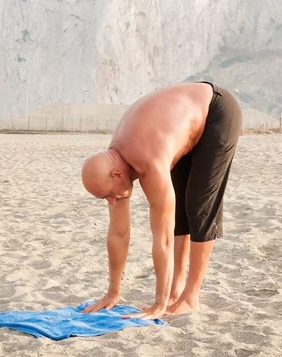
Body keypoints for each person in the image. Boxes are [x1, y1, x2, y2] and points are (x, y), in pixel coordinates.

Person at [79, 81, 242, 320]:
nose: (112, 201)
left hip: (216, 111)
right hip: (175, 126)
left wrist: (158, 304)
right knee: (177, 214)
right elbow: (118, 234)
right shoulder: (113, 164)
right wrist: (112, 292)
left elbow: (163, 237)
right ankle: (175, 289)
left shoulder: (148, 163)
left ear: (117, 175)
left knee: (199, 207)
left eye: (109, 196)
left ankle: (190, 295)